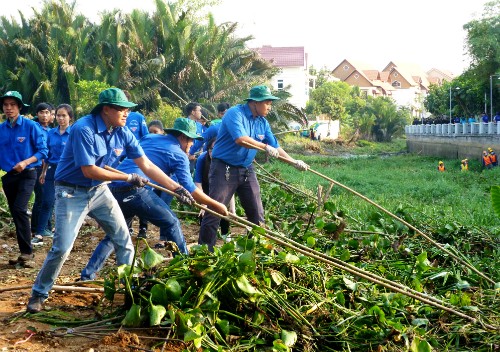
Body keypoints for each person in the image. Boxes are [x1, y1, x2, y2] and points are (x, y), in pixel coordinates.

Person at [27, 88, 194, 313]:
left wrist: (177, 188)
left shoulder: (122, 132)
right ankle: (39, 293)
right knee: (63, 248)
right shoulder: (83, 129)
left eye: (127, 109)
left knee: (124, 240)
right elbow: (89, 170)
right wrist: (127, 177)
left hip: (99, 191)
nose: (126, 114)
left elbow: (147, 165)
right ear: (106, 109)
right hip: (71, 193)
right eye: (121, 109)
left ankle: (129, 292)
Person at [80, 118, 228, 281]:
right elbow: (191, 189)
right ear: (183, 137)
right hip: (136, 190)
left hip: (114, 187)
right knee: (171, 222)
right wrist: (216, 205)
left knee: (117, 234)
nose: (192, 145)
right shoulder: (180, 155)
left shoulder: (150, 137)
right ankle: (187, 267)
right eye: (192, 140)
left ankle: (88, 274)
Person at [198, 85, 309, 251]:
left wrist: (293, 161)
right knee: (216, 210)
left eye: (271, 103)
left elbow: (275, 146)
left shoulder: (263, 123)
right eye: (267, 103)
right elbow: (241, 139)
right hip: (224, 168)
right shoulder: (235, 114)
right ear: (255, 102)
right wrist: (264, 147)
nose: (270, 107)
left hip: (246, 169)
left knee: (257, 214)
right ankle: (205, 253)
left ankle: (254, 251)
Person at [0, 91, 48, 268]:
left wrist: (26, 162)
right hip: (9, 177)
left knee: (20, 208)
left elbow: (43, 151)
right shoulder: (1, 129)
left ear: (19, 107)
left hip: (27, 174)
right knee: (16, 213)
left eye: (13, 104)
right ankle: (24, 253)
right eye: (6, 105)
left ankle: (28, 252)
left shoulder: (30, 126)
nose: (9, 108)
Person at [31, 104, 73, 246]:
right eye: (58, 115)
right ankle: (39, 233)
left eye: (64, 116)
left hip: (68, 171)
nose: (60, 118)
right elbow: (47, 156)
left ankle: (64, 233)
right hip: (52, 170)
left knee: (66, 202)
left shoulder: (74, 133)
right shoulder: (51, 133)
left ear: (70, 118)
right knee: (47, 201)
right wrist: (43, 172)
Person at [194, 137, 234, 238]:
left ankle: (226, 234)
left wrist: (232, 208)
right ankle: (207, 237)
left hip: (221, 189)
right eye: (212, 150)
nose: (215, 153)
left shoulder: (226, 162)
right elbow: (197, 182)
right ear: (208, 150)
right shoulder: (202, 159)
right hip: (206, 188)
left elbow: (230, 187)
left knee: (223, 211)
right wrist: (204, 203)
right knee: (205, 214)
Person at [31, 102, 55, 239]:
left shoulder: (51, 131)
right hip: (37, 166)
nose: (45, 115)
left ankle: (46, 226)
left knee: (48, 198)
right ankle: (36, 228)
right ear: (37, 114)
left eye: (47, 113)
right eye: (42, 112)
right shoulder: (34, 128)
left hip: (47, 166)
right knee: (41, 198)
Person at [185, 102, 204, 172]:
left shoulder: (199, 125)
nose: (201, 113)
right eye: (199, 110)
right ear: (193, 112)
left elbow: (202, 140)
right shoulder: (184, 124)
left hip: (198, 157)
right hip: (187, 157)